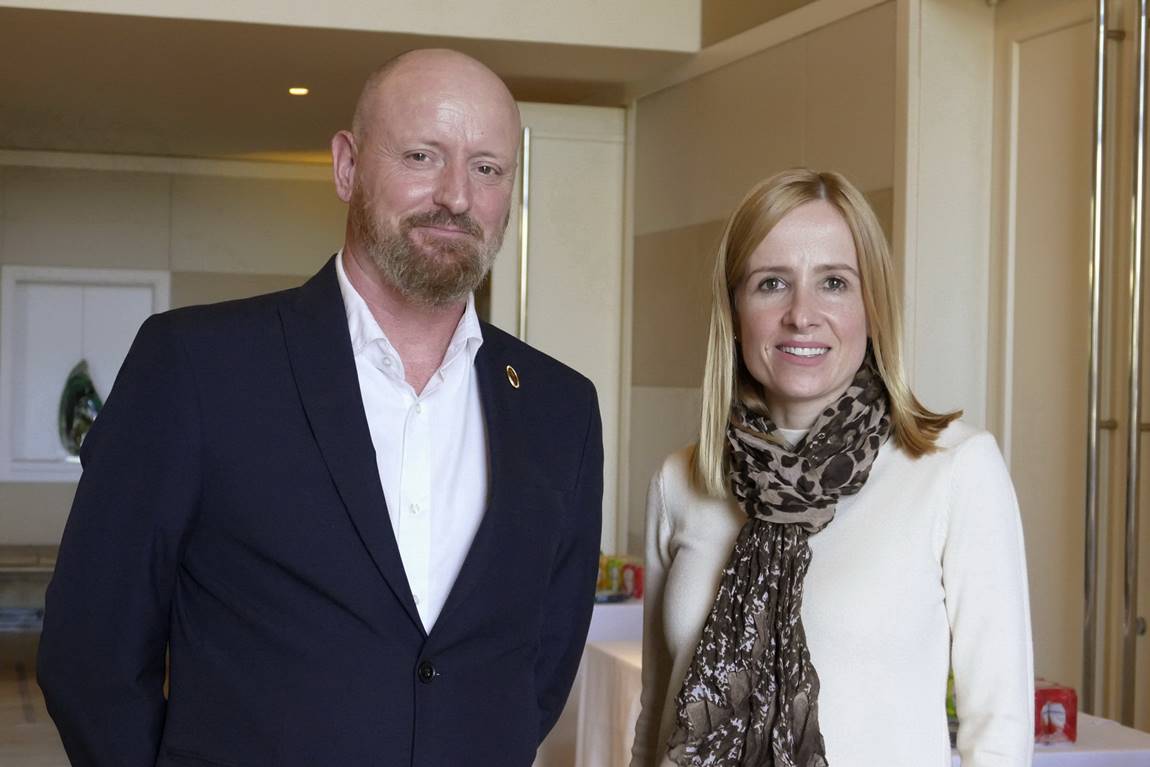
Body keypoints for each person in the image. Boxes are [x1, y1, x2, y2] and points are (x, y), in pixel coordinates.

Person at [37, 49, 603, 767]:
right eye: (423, 156)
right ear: (347, 166)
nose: (457, 196)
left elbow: (539, 668)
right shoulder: (197, 366)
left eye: (487, 168)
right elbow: (92, 652)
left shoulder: (560, 409)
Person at [630, 169, 1032, 767]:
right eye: (771, 283)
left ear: (873, 306)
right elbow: (657, 716)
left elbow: (998, 734)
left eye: (834, 283)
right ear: (735, 309)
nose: (802, 314)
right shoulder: (682, 480)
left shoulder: (954, 470)